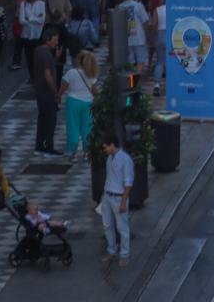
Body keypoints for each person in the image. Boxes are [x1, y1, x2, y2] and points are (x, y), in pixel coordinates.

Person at [100, 134, 134, 267]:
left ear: (112, 145)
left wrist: (123, 202)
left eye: (105, 147)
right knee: (107, 225)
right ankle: (111, 250)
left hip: (118, 197)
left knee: (122, 227)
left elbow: (128, 183)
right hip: (108, 196)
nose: (105, 149)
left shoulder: (126, 160)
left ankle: (124, 254)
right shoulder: (109, 158)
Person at [61, 50, 99, 162]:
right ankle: (87, 152)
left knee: (73, 127)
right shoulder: (91, 74)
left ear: (79, 60)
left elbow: (63, 86)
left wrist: (58, 95)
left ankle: (72, 153)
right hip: (88, 103)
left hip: (73, 103)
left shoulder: (71, 72)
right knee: (87, 128)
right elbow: (95, 91)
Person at [32, 25, 61, 156]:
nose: (57, 43)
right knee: (50, 120)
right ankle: (49, 145)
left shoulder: (38, 51)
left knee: (42, 118)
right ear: (47, 40)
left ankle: (39, 144)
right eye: (55, 40)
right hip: (47, 93)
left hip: (39, 91)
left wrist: (56, 58)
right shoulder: (47, 54)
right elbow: (48, 75)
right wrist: (56, 93)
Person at [117, 0, 151, 76]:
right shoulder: (138, 6)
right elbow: (145, 21)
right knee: (141, 60)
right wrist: (148, 34)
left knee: (130, 61)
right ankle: (137, 82)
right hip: (139, 37)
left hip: (125, 38)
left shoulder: (120, 7)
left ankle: (130, 81)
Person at [18, 0, 46, 75]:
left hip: (38, 35)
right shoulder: (24, 4)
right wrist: (35, 18)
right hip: (27, 36)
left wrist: (29, 19)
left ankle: (38, 75)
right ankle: (32, 76)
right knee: (29, 57)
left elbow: (42, 20)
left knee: (38, 57)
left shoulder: (41, 4)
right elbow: (21, 20)